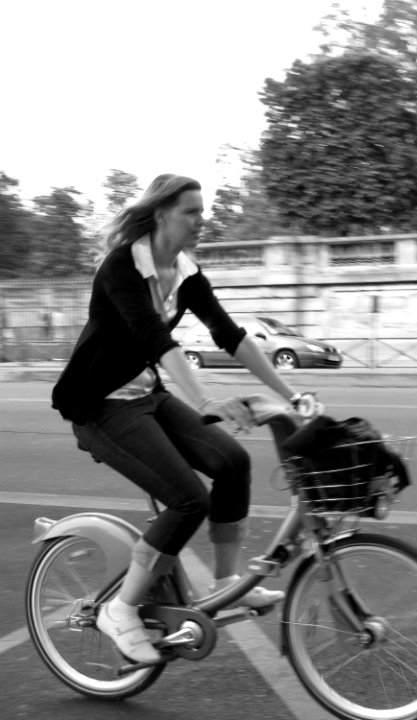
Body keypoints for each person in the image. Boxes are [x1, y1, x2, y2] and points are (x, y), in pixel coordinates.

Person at [51, 174, 318, 664]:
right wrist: (205, 401)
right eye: (191, 212)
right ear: (161, 216)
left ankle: (227, 583)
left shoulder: (186, 271)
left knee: (233, 462)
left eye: (203, 210)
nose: (202, 220)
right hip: (100, 406)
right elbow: (157, 339)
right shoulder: (121, 267)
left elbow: (231, 336)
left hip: (146, 395)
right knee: (187, 499)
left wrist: (292, 393)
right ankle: (121, 609)